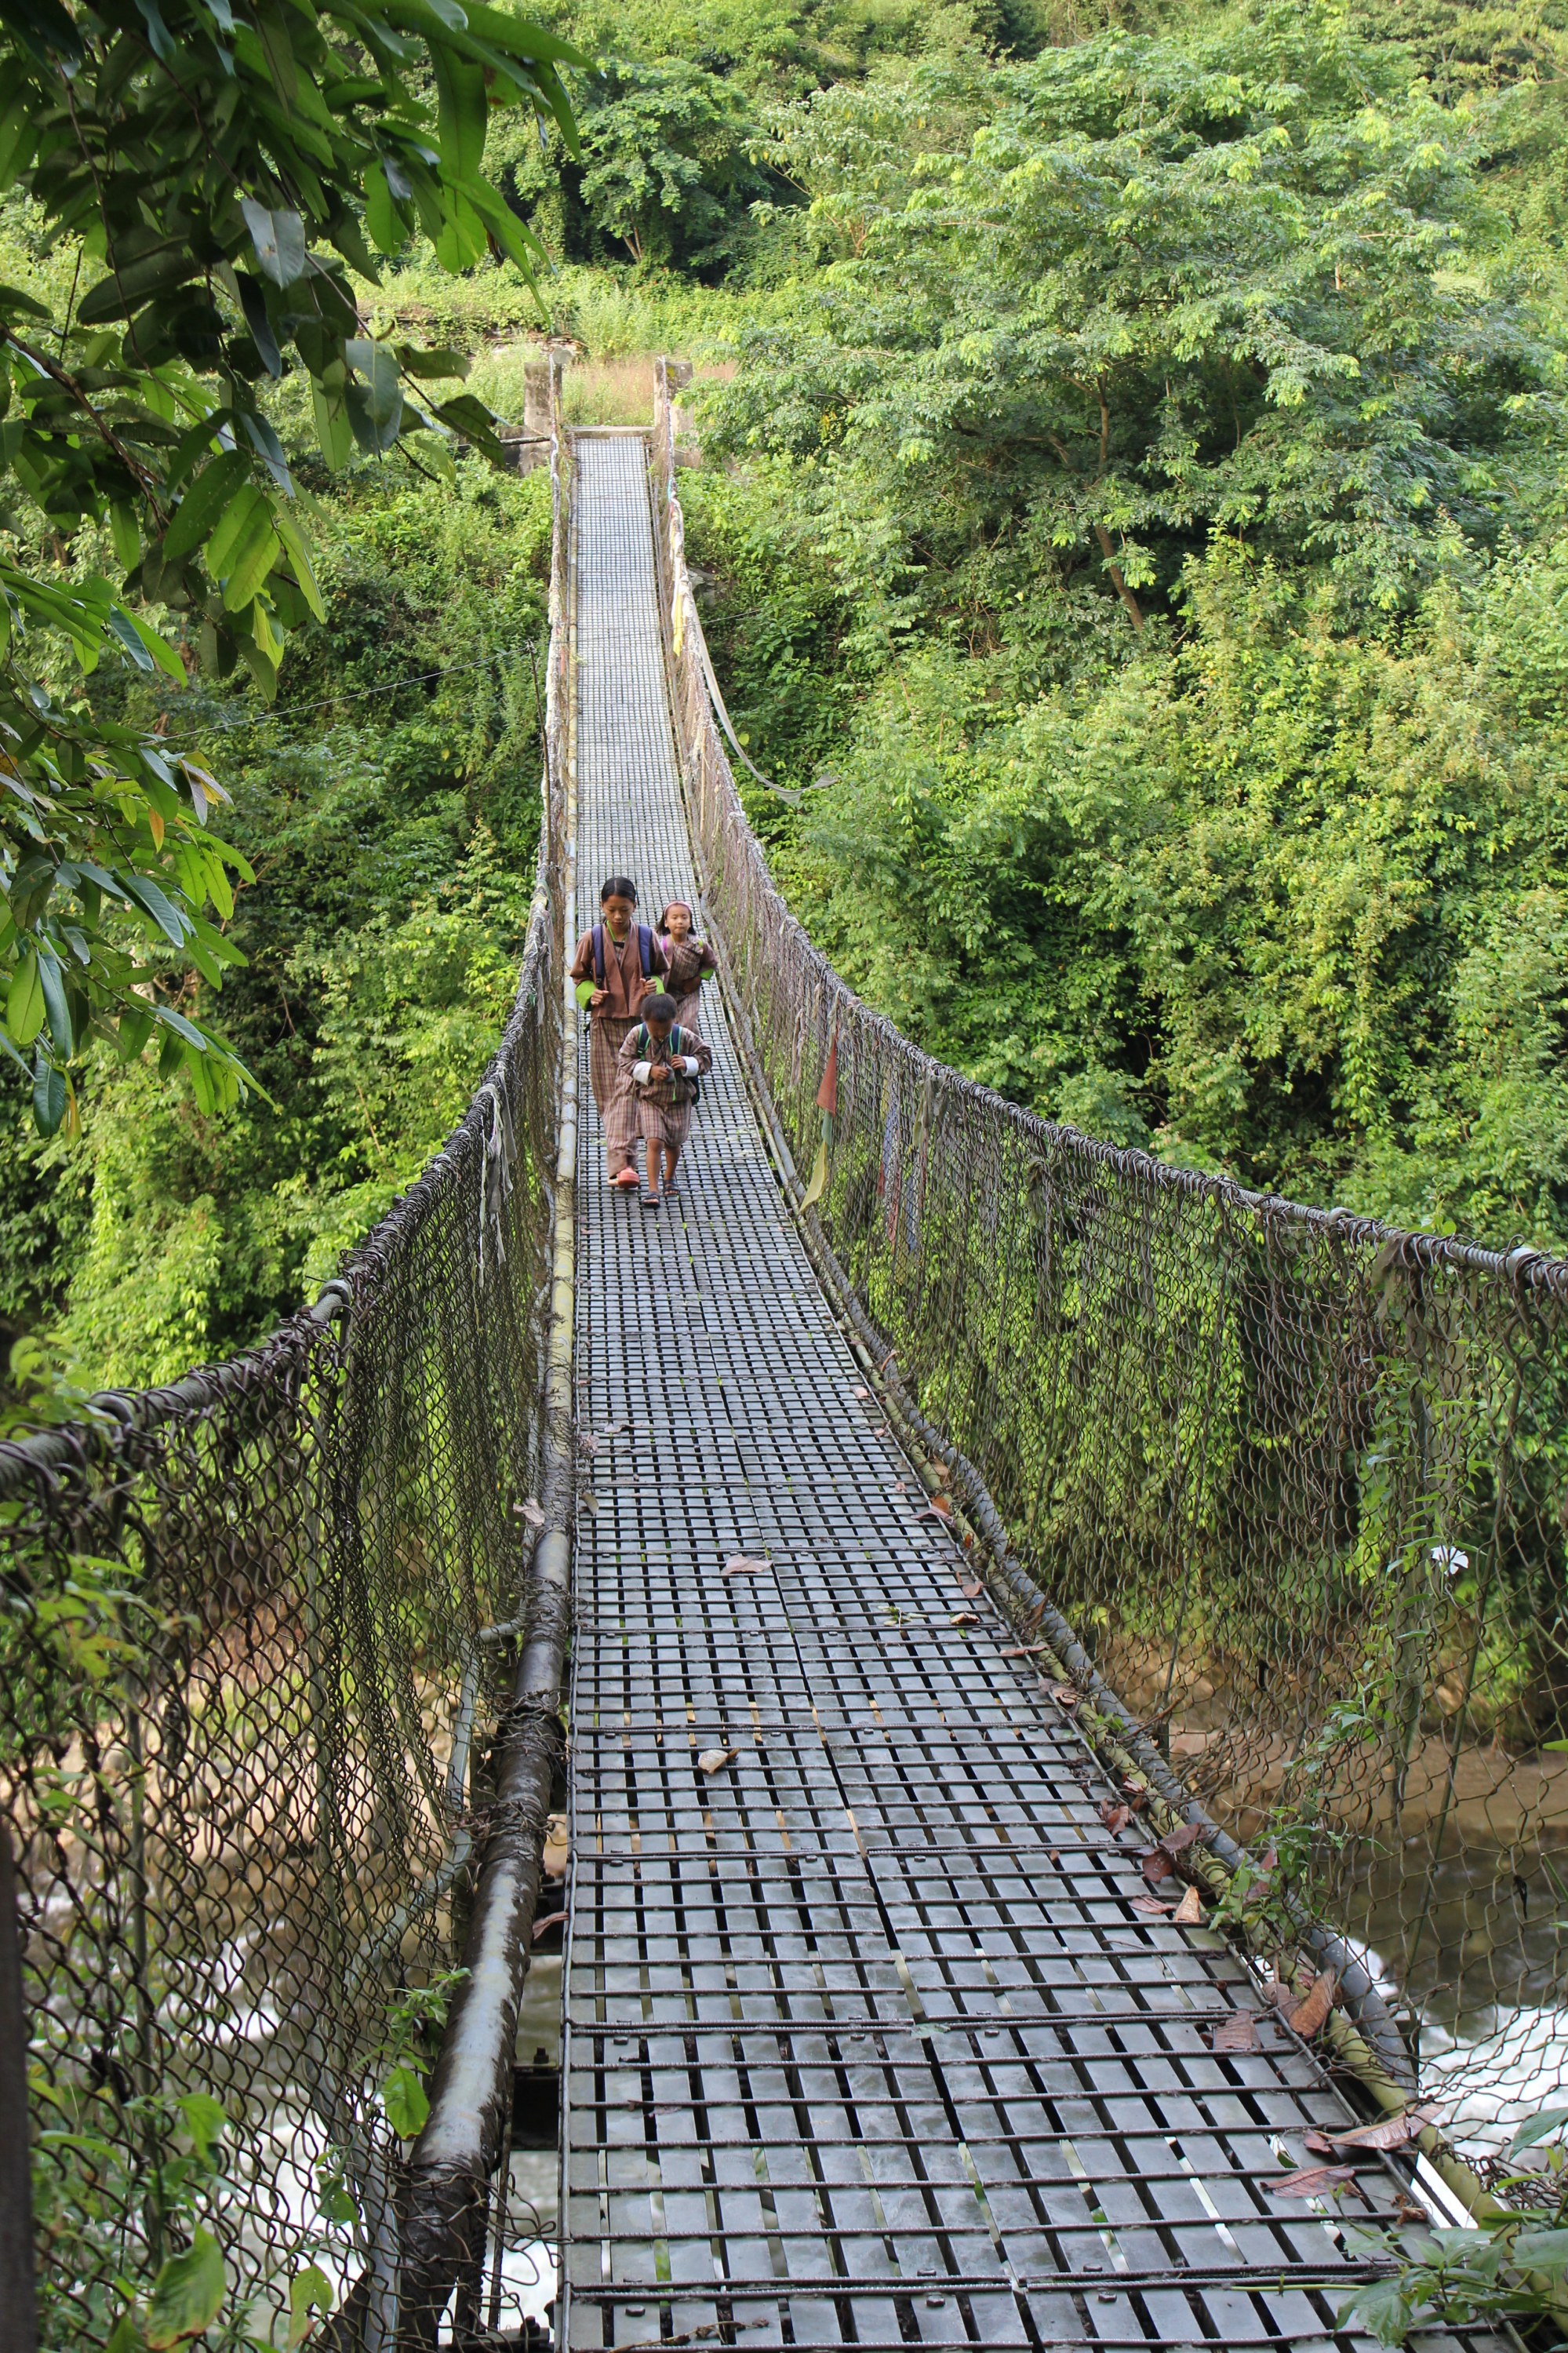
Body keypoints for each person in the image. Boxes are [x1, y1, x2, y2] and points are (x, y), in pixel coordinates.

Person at [569, 878, 668, 1190]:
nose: (617, 917)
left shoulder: (647, 937)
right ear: (602, 907)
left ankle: (623, 1166)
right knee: (608, 1096)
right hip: (604, 1025)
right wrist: (589, 994)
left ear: (634, 907)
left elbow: (662, 971)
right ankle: (623, 1164)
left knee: (625, 1090)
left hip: (638, 1027)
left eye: (624, 910)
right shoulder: (592, 938)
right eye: (611, 910)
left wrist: (656, 987)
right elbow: (579, 976)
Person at [619, 993, 712, 1207]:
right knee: (654, 1141)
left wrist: (688, 1063)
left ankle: (670, 1177)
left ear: (674, 1019)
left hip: (679, 1099)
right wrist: (648, 1070)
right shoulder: (638, 1035)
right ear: (645, 1020)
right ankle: (653, 1189)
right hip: (650, 1098)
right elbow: (624, 1059)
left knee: (673, 1142)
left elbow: (706, 1056)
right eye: (655, 1030)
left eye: (665, 1029)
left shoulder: (684, 1036)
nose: (660, 1034)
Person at [657, 900, 717, 1030]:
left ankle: (692, 1049)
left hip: (689, 991)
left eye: (684, 917)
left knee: (688, 1023)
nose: (680, 921)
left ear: (690, 922)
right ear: (666, 922)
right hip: (668, 991)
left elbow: (711, 963)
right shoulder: (663, 946)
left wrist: (697, 979)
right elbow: (655, 968)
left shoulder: (699, 945)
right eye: (674, 918)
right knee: (666, 1024)